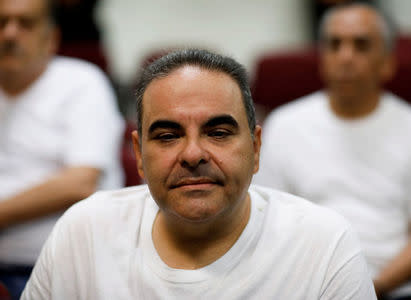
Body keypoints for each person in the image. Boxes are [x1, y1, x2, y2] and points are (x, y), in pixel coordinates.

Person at [22, 49, 376, 299]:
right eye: (167, 136)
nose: (192, 154)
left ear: (255, 148)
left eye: (218, 133)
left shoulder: (323, 244)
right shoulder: (83, 232)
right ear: (139, 156)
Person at [254, 3, 411, 300]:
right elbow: (268, 222)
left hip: (395, 288)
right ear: (322, 59)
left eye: (361, 45)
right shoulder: (283, 125)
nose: (345, 56)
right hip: (307, 284)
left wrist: (373, 288)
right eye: (334, 44)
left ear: (387, 62)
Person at [0, 0, 124, 297]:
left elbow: (80, 183)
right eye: (1, 22)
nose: (10, 34)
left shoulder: (82, 83)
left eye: (25, 23)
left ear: (51, 37)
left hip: (56, 269)